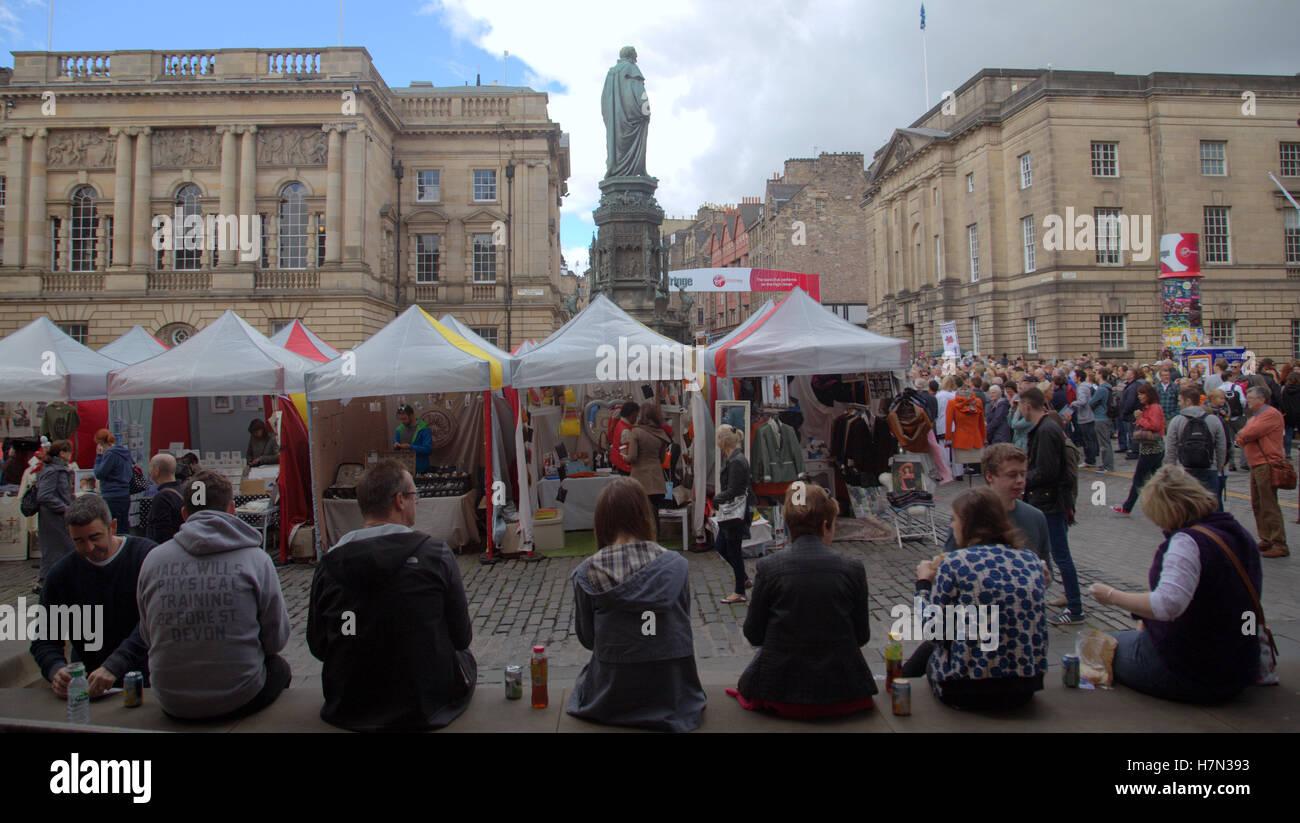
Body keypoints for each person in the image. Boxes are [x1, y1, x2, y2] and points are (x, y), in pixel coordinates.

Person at [308, 459, 476, 731]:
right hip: (423, 699)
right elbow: (461, 636)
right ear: (400, 500)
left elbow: (319, 644)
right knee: (464, 657)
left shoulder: (329, 566)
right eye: (414, 495)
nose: (417, 502)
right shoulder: (434, 555)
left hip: (351, 699)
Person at [1093, 466, 1262, 702]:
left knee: (1099, 644)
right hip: (1240, 663)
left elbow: (1167, 605)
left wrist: (1111, 595)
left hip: (1193, 669)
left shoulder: (1188, 543)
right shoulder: (1237, 532)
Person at [136, 469, 292, 720]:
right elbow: (276, 639)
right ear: (232, 508)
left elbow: (148, 635)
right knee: (279, 668)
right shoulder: (256, 559)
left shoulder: (153, 560)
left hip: (172, 699)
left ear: (184, 513)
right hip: (240, 697)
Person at [567, 477, 705, 732]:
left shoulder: (588, 572)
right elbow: (681, 623)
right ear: (644, 515)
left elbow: (588, 638)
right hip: (670, 687)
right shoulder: (675, 565)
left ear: (602, 521)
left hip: (613, 689)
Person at [730, 482, 876, 717]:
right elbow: (862, 636)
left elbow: (753, 633)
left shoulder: (770, 567)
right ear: (826, 525)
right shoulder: (852, 568)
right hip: (842, 688)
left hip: (780, 686)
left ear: (788, 526)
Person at [912, 487, 1048, 709]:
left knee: (933, 647)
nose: (951, 526)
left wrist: (923, 584)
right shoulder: (1030, 559)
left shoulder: (955, 562)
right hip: (1025, 687)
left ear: (968, 524)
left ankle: (896, 682)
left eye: (954, 520)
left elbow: (933, 631)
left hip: (967, 689)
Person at [31, 495, 156, 700]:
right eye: (79, 541)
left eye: (95, 537)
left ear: (112, 527)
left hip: (146, 682)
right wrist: (56, 670)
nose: (88, 548)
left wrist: (115, 665)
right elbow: (44, 638)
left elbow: (155, 623)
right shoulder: (61, 575)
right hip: (89, 688)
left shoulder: (146, 558)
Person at [1019, 387, 1084, 624]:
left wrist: (1023, 479)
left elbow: (1047, 471)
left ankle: (1075, 607)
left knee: (1060, 555)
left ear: (1027, 406)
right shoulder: (1045, 428)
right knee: (1045, 554)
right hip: (1047, 499)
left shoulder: (1046, 430)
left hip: (1051, 501)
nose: (1018, 410)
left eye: (1019, 405)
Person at [1235, 386, 1288, 557]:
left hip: (1267, 463)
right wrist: (1243, 435)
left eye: (1250, 398)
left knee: (1268, 503)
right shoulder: (1257, 416)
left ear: (1262, 399)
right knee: (1258, 503)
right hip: (1257, 464)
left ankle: (1279, 542)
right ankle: (1266, 537)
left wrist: (1243, 435)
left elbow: (1249, 433)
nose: (1247, 401)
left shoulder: (1270, 414)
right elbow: (1244, 435)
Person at [714, 424, 756, 604]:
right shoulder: (733, 458)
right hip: (732, 511)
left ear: (723, 441)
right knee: (722, 546)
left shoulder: (736, 461)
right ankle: (743, 578)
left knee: (733, 549)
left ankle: (739, 590)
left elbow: (734, 490)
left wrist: (717, 498)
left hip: (735, 512)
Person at [1164, 385, 1227, 500]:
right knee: (1211, 506)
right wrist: (1218, 467)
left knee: (1187, 506)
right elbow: (1221, 446)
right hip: (1208, 468)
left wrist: (1171, 469)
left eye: (1180, 401)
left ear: (1188, 401)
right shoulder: (1213, 420)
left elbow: (1170, 449)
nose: (1179, 404)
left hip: (1184, 469)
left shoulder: (1177, 421)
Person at [1116, 383, 1167, 516]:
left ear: (1148, 395)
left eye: (1141, 394)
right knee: (1156, 479)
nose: (1139, 397)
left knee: (1140, 479)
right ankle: (1163, 505)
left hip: (1152, 448)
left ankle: (1127, 507)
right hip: (1151, 448)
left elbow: (1155, 425)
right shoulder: (1149, 407)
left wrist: (1140, 419)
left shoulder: (1154, 407)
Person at [36, 439, 77, 592]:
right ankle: (45, 582)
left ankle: (53, 581)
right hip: (53, 518)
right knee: (56, 550)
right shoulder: (53, 470)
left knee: (59, 549)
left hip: (58, 516)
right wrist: (65, 508)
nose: (71, 454)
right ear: (62, 453)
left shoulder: (58, 469)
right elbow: (44, 496)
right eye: (69, 451)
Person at [624, 403, 671, 509]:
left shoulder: (636, 432)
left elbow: (632, 457)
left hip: (640, 480)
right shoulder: (661, 433)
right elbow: (662, 459)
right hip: (657, 480)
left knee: (641, 514)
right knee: (655, 514)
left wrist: (624, 458)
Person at [92, 429, 133, 536]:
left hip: (112, 495)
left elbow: (99, 473)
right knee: (123, 526)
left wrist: (98, 457)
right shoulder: (125, 452)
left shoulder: (110, 454)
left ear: (101, 443)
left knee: (113, 528)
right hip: (124, 494)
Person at [143, 453, 185, 545]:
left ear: (157, 470)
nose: (149, 471)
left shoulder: (162, 498)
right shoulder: (185, 490)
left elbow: (160, 533)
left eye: (151, 467)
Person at [1203, 389, 1233, 512]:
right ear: (1212, 399)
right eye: (1220, 398)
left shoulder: (1224, 412)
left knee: (1217, 493)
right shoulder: (1207, 414)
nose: (1223, 401)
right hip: (1213, 458)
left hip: (1223, 456)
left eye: (1224, 398)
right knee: (1214, 495)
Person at [1068, 368, 1098, 468]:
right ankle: (1091, 458)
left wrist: (1073, 403)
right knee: (1090, 438)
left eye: (1075, 376)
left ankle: (1090, 459)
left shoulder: (1082, 387)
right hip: (1088, 415)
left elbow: (1083, 401)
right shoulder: (1086, 386)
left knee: (1088, 439)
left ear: (1079, 378)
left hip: (1086, 416)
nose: (1073, 378)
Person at [391, 405, 433, 475]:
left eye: (404, 419)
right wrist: (396, 445)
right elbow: (396, 441)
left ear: (412, 415)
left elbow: (428, 449)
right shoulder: (400, 429)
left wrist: (410, 447)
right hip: (404, 469)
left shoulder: (423, 429)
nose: (402, 422)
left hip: (420, 469)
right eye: (400, 419)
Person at [1120, 367, 1148, 459]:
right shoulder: (1131, 385)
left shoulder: (1133, 386)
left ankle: (1134, 451)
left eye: (1128, 373)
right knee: (1132, 432)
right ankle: (1133, 449)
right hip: (1132, 413)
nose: (1126, 374)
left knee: (1133, 432)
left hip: (1133, 413)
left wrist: (1125, 411)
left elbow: (1130, 401)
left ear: (1132, 375)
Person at [1091, 370, 1114, 472]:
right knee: (1106, 442)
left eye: (1096, 374)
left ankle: (1107, 465)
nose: (1095, 376)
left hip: (1101, 417)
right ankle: (1107, 464)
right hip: (1106, 416)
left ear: (1100, 375)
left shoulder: (1102, 389)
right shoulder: (1108, 387)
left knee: (1104, 443)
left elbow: (1091, 402)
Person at [608, 401, 639, 476]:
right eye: (635, 416)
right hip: (624, 466)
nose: (636, 419)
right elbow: (627, 453)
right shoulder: (626, 431)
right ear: (630, 415)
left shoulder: (620, 423)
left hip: (617, 461)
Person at [1281, 370, 1300, 460]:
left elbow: (1283, 402)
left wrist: (1284, 412)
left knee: (1288, 434)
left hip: (1288, 414)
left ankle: (1288, 453)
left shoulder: (1285, 389)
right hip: (1299, 413)